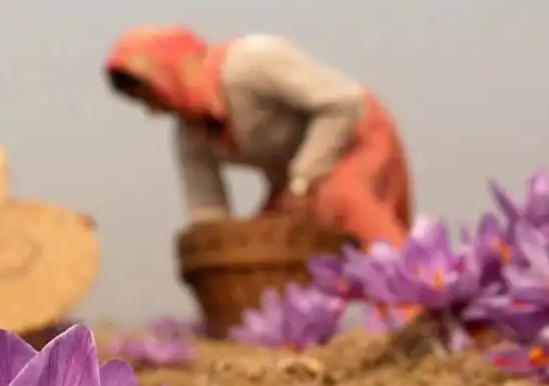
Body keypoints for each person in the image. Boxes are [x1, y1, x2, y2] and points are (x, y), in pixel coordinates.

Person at [103, 25, 413, 247]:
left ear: (167, 73)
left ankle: (413, 313)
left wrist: (303, 180)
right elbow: (208, 211)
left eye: (151, 96)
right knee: (267, 238)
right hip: (296, 179)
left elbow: (343, 103)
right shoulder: (191, 132)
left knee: (347, 205)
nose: (154, 111)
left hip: (353, 138)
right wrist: (210, 247)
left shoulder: (250, 64)